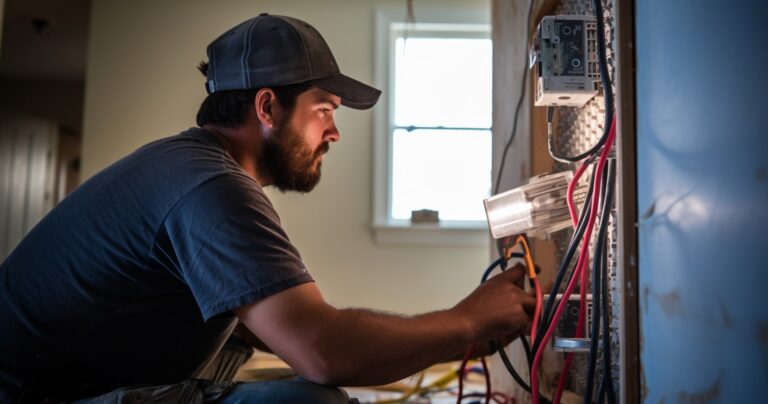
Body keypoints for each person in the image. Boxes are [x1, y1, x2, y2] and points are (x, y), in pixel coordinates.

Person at [0, 13, 534, 403]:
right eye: (324, 109)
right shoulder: (209, 186)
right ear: (266, 107)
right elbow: (324, 350)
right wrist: (464, 322)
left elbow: (286, 327)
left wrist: (449, 337)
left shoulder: (188, 165)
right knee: (311, 402)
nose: (334, 131)